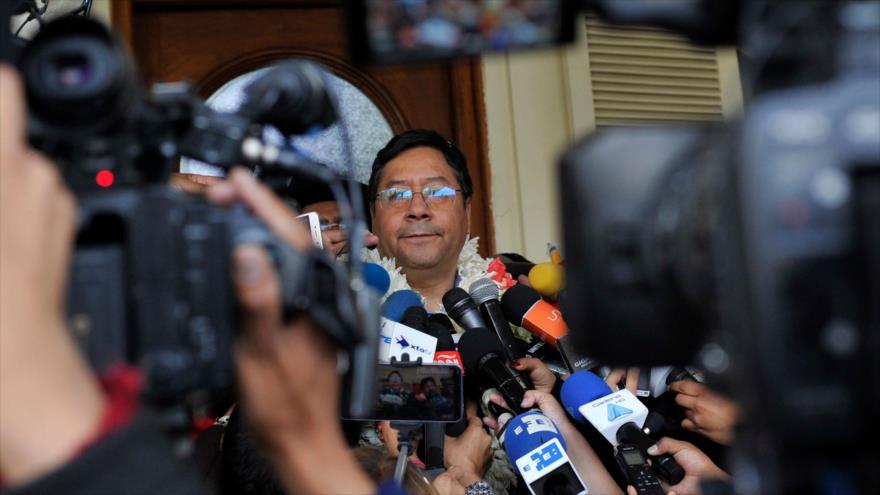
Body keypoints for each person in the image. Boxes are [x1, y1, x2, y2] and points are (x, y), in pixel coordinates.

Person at [367, 129, 513, 313]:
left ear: (467, 211)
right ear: (373, 215)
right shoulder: (336, 308)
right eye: (397, 194)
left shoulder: (510, 309)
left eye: (438, 192)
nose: (417, 210)